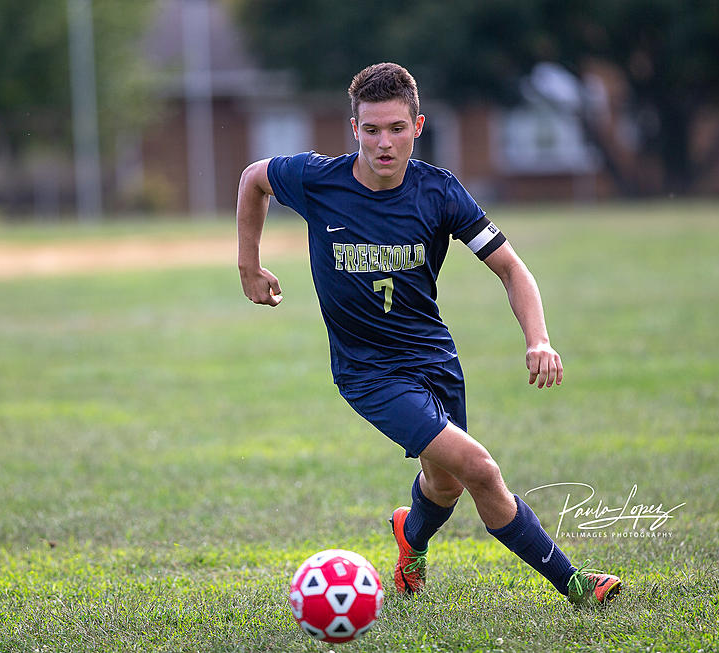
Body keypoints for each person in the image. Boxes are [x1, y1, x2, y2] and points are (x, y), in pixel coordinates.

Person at [236, 62, 621, 605]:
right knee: (481, 469)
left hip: (434, 359)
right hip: (369, 372)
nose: (384, 143)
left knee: (446, 484)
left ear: (418, 126)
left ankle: (410, 536)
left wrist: (539, 338)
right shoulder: (318, 181)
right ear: (355, 129)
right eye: (371, 129)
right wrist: (248, 266)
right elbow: (254, 178)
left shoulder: (439, 192)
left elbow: (512, 268)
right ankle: (576, 584)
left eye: (396, 128)